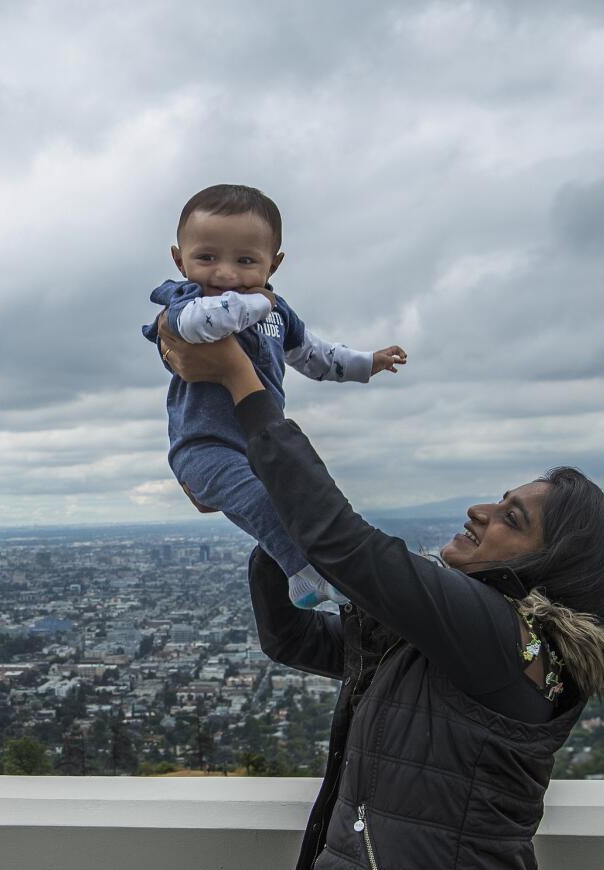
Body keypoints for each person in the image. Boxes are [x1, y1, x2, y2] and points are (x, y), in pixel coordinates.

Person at [154, 323, 604, 870]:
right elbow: (293, 637)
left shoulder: (499, 635)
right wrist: (266, 513)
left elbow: (344, 544)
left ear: (554, 565)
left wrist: (241, 382)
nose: (479, 510)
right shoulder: (465, 644)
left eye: (510, 518)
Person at [143, 184, 407, 608]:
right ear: (179, 259)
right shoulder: (186, 300)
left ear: (274, 263)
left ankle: (308, 570)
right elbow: (200, 326)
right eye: (207, 258)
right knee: (261, 499)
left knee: (291, 503)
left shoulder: (278, 312)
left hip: (257, 444)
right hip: (203, 445)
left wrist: (364, 363)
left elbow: (314, 355)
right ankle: (304, 573)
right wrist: (257, 301)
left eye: (245, 261)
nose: (225, 275)